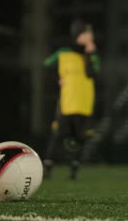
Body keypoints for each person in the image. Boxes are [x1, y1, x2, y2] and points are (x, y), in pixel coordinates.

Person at [42, 19, 101, 180]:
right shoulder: (63, 52)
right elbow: (47, 64)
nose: (91, 35)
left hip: (84, 103)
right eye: (88, 32)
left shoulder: (92, 55)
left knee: (80, 138)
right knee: (57, 135)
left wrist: (90, 54)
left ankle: (74, 171)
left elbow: (92, 73)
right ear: (80, 34)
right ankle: (47, 168)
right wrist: (57, 79)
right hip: (67, 103)